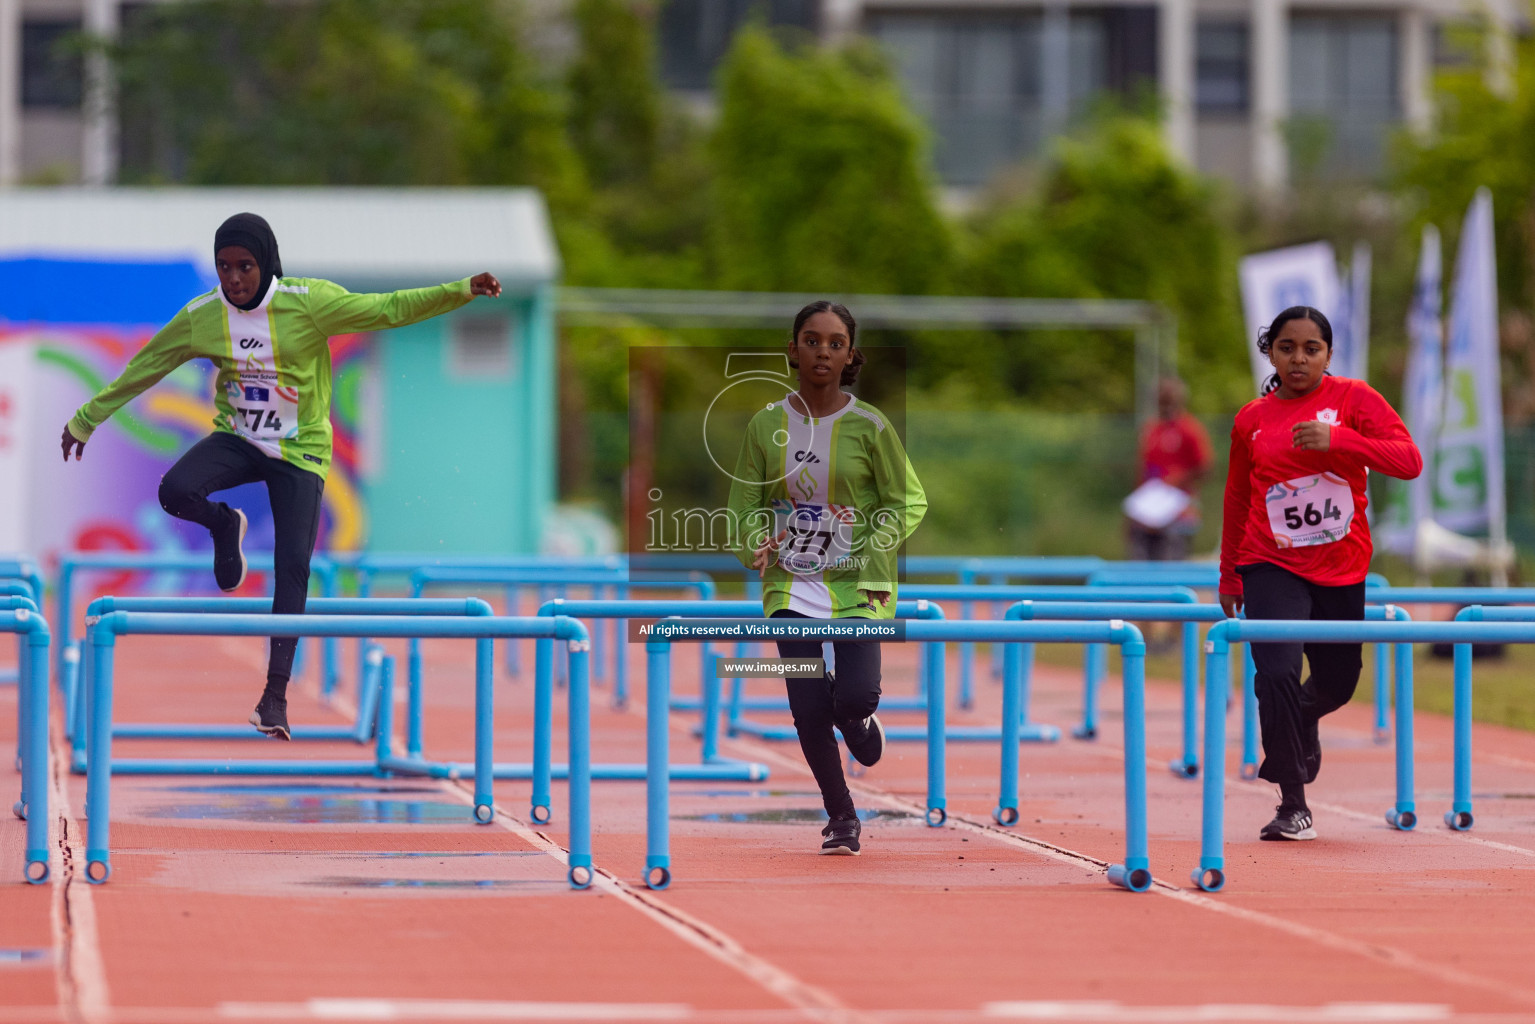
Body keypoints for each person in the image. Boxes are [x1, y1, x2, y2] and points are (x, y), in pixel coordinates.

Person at [60, 212, 502, 740]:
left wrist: (460, 290)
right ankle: (226, 526)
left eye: (245, 267)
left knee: (293, 566)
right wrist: (87, 419)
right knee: (174, 490)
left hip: (300, 451)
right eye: (224, 268)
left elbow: (387, 310)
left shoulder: (309, 302)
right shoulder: (204, 316)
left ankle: (274, 696)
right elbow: (147, 366)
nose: (234, 280)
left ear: (265, 264)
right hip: (240, 440)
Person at [727, 301, 926, 855]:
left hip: (862, 585)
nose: (822, 351)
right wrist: (752, 543)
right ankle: (841, 814)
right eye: (811, 341)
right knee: (809, 705)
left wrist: (873, 542)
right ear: (792, 350)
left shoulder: (870, 426)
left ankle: (861, 723)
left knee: (856, 694)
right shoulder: (766, 425)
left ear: (850, 356)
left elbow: (908, 500)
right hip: (790, 585)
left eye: (835, 343)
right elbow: (743, 504)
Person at [1218, 306, 1421, 840]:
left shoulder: (1355, 399)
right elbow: (1238, 497)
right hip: (1270, 561)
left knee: (1338, 684)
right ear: (1271, 352)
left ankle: (1300, 720)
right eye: (1287, 347)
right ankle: (1292, 803)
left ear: (1329, 354)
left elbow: (1409, 460)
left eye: (1312, 348)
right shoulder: (1252, 419)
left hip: (1341, 565)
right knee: (1277, 675)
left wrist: (1343, 442)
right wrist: (1229, 574)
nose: (1299, 358)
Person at [1127, 377, 1214, 561]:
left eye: (1170, 399)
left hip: (1178, 512)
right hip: (1147, 513)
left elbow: (1205, 468)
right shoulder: (1151, 429)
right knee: (1139, 566)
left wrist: (1177, 480)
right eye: (1162, 400)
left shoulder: (1190, 429)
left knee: (1170, 567)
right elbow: (1142, 469)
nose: (1166, 404)